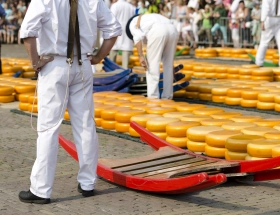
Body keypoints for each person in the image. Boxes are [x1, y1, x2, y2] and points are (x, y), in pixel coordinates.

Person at [18, 0, 122, 204]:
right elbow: (113, 30)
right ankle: (87, 183)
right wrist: (99, 57)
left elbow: (28, 31)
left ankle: (41, 189)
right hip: (82, 64)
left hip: (54, 63)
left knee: (48, 128)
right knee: (85, 125)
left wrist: (35, 62)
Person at [126, 13, 178, 99]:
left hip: (158, 30)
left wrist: (140, 55)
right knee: (168, 66)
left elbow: (137, 37)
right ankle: (167, 97)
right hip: (173, 30)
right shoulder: (149, 17)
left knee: (151, 66)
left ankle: (153, 98)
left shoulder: (133, 23)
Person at [110, 0, 135, 69]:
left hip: (116, 31)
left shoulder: (115, 6)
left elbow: (111, 19)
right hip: (127, 32)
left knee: (112, 55)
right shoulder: (131, 7)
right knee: (126, 61)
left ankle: (111, 72)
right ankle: (125, 75)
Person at [256, 0, 280, 66]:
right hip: (279, 19)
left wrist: (262, 21)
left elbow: (265, 8)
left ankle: (259, 62)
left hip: (269, 19)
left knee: (264, 42)